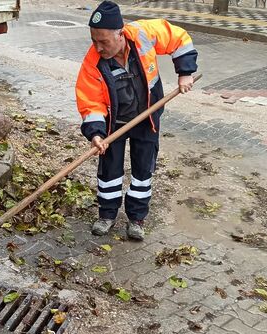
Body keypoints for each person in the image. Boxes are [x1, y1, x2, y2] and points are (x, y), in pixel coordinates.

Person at [75, 0, 198, 241]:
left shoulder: (143, 34)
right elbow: (90, 101)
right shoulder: (92, 62)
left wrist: (185, 73)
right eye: (94, 41)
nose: (98, 47)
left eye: (103, 41)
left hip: (147, 117)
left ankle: (137, 218)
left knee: (143, 170)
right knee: (109, 172)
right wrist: (96, 133)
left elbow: (179, 38)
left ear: (120, 33)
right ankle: (107, 215)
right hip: (114, 124)